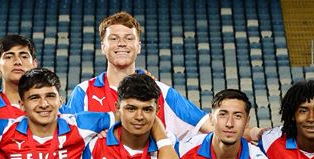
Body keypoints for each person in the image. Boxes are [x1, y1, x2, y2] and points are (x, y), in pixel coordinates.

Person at [65, 11, 208, 140]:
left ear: (138, 46)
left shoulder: (160, 91)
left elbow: (209, 128)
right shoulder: (83, 92)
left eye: (129, 38)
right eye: (114, 38)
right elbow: (64, 135)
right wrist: (92, 135)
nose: (121, 43)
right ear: (103, 47)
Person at [0, 33, 36, 122]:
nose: (17, 62)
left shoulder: (50, 108)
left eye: (24, 56)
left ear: (34, 64)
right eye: (9, 57)